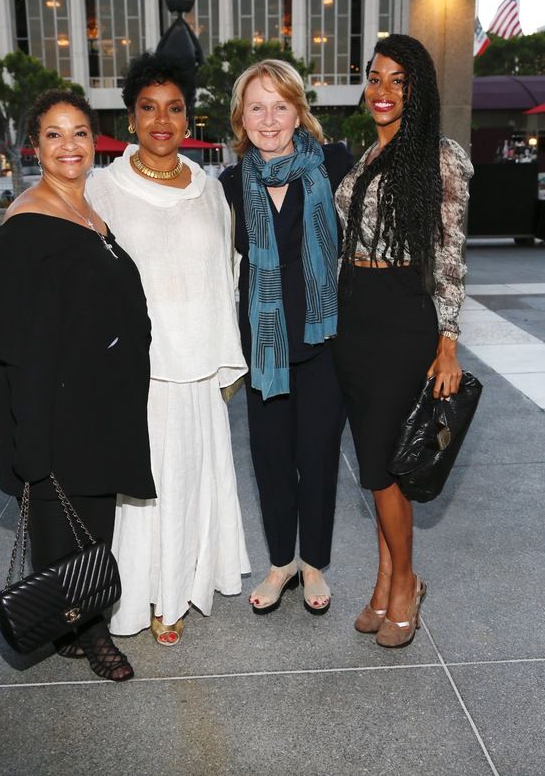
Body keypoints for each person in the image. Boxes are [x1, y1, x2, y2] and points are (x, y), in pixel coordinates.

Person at [0, 89, 155, 681]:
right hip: (52, 406)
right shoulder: (26, 225)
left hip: (96, 403)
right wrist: (31, 436)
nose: (69, 145)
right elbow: (15, 342)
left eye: (79, 132)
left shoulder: (87, 211)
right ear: (35, 146)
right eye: (54, 134)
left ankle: (70, 623)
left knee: (92, 520)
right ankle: (91, 631)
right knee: (68, 528)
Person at [87, 52, 249, 646]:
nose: (162, 120)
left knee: (188, 481)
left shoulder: (209, 190)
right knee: (143, 489)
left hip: (197, 368)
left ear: (189, 117)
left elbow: (224, 275)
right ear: (131, 118)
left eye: (174, 108)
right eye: (148, 108)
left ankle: (177, 592)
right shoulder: (101, 189)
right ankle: (136, 595)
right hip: (137, 372)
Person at [332, 34, 473, 647]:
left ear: (417, 90)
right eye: (374, 77)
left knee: (389, 465)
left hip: (403, 317)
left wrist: (447, 340)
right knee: (371, 462)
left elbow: (449, 254)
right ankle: (385, 580)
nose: (382, 91)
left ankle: (408, 580)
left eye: (397, 80)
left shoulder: (438, 158)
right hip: (355, 317)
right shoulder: (366, 155)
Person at [220, 60, 352, 616]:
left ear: (299, 111)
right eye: (257, 107)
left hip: (326, 342)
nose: (269, 118)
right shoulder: (227, 186)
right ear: (241, 118)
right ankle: (281, 562)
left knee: (319, 456)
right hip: (266, 348)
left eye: (280, 105)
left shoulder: (337, 165)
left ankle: (314, 561)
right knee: (271, 457)